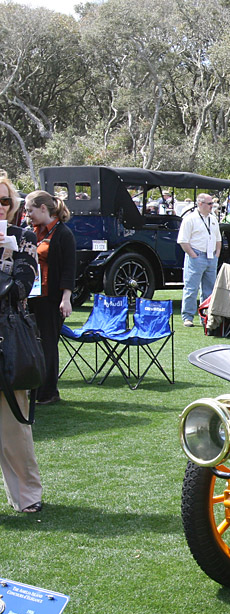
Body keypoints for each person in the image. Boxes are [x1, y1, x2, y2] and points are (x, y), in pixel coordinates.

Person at [0, 173, 42, 513]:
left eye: (4, 200)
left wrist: (4, 254)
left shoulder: (23, 238)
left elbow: (20, 288)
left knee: (14, 427)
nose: (0, 207)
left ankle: (27, 497)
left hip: (8, 340)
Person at [24, 190, 75, 406]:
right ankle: (33, 388)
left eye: (30, 211)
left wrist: (66, 298)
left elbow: (69, 269)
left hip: (50, 298)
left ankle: (48, 392)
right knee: (31, 343)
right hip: (31, 296)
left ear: (43, 208)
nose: (28, 215)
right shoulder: (30, 232)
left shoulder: (63, 234)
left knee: (48, 344)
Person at [177, 192, 220, 327]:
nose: (212, 206)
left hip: (211, 256)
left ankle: (205, 318)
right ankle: (188, 317)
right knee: (191, 288)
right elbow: (183, 241)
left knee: (209, 290)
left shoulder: (213, 219)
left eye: (212, 204)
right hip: (196, 255)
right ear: (200, 204)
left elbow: (218, 238)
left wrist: (217, 253)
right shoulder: (190, 219)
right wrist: (193, 254)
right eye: (209, 204)